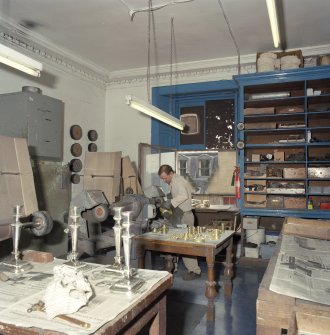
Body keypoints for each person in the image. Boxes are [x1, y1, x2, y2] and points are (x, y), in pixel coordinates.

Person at [158, 164, 201, 280]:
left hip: (185, 217)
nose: (164, 180)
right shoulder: (173, 181)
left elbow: (183, 195)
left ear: (171, 173)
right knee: (175, 242)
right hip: (179, 215)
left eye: (165, 178)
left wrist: (170, 203)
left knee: (186, 245)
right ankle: (172, 266)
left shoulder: (178, 181)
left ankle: (195, 271)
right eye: (162, 178)